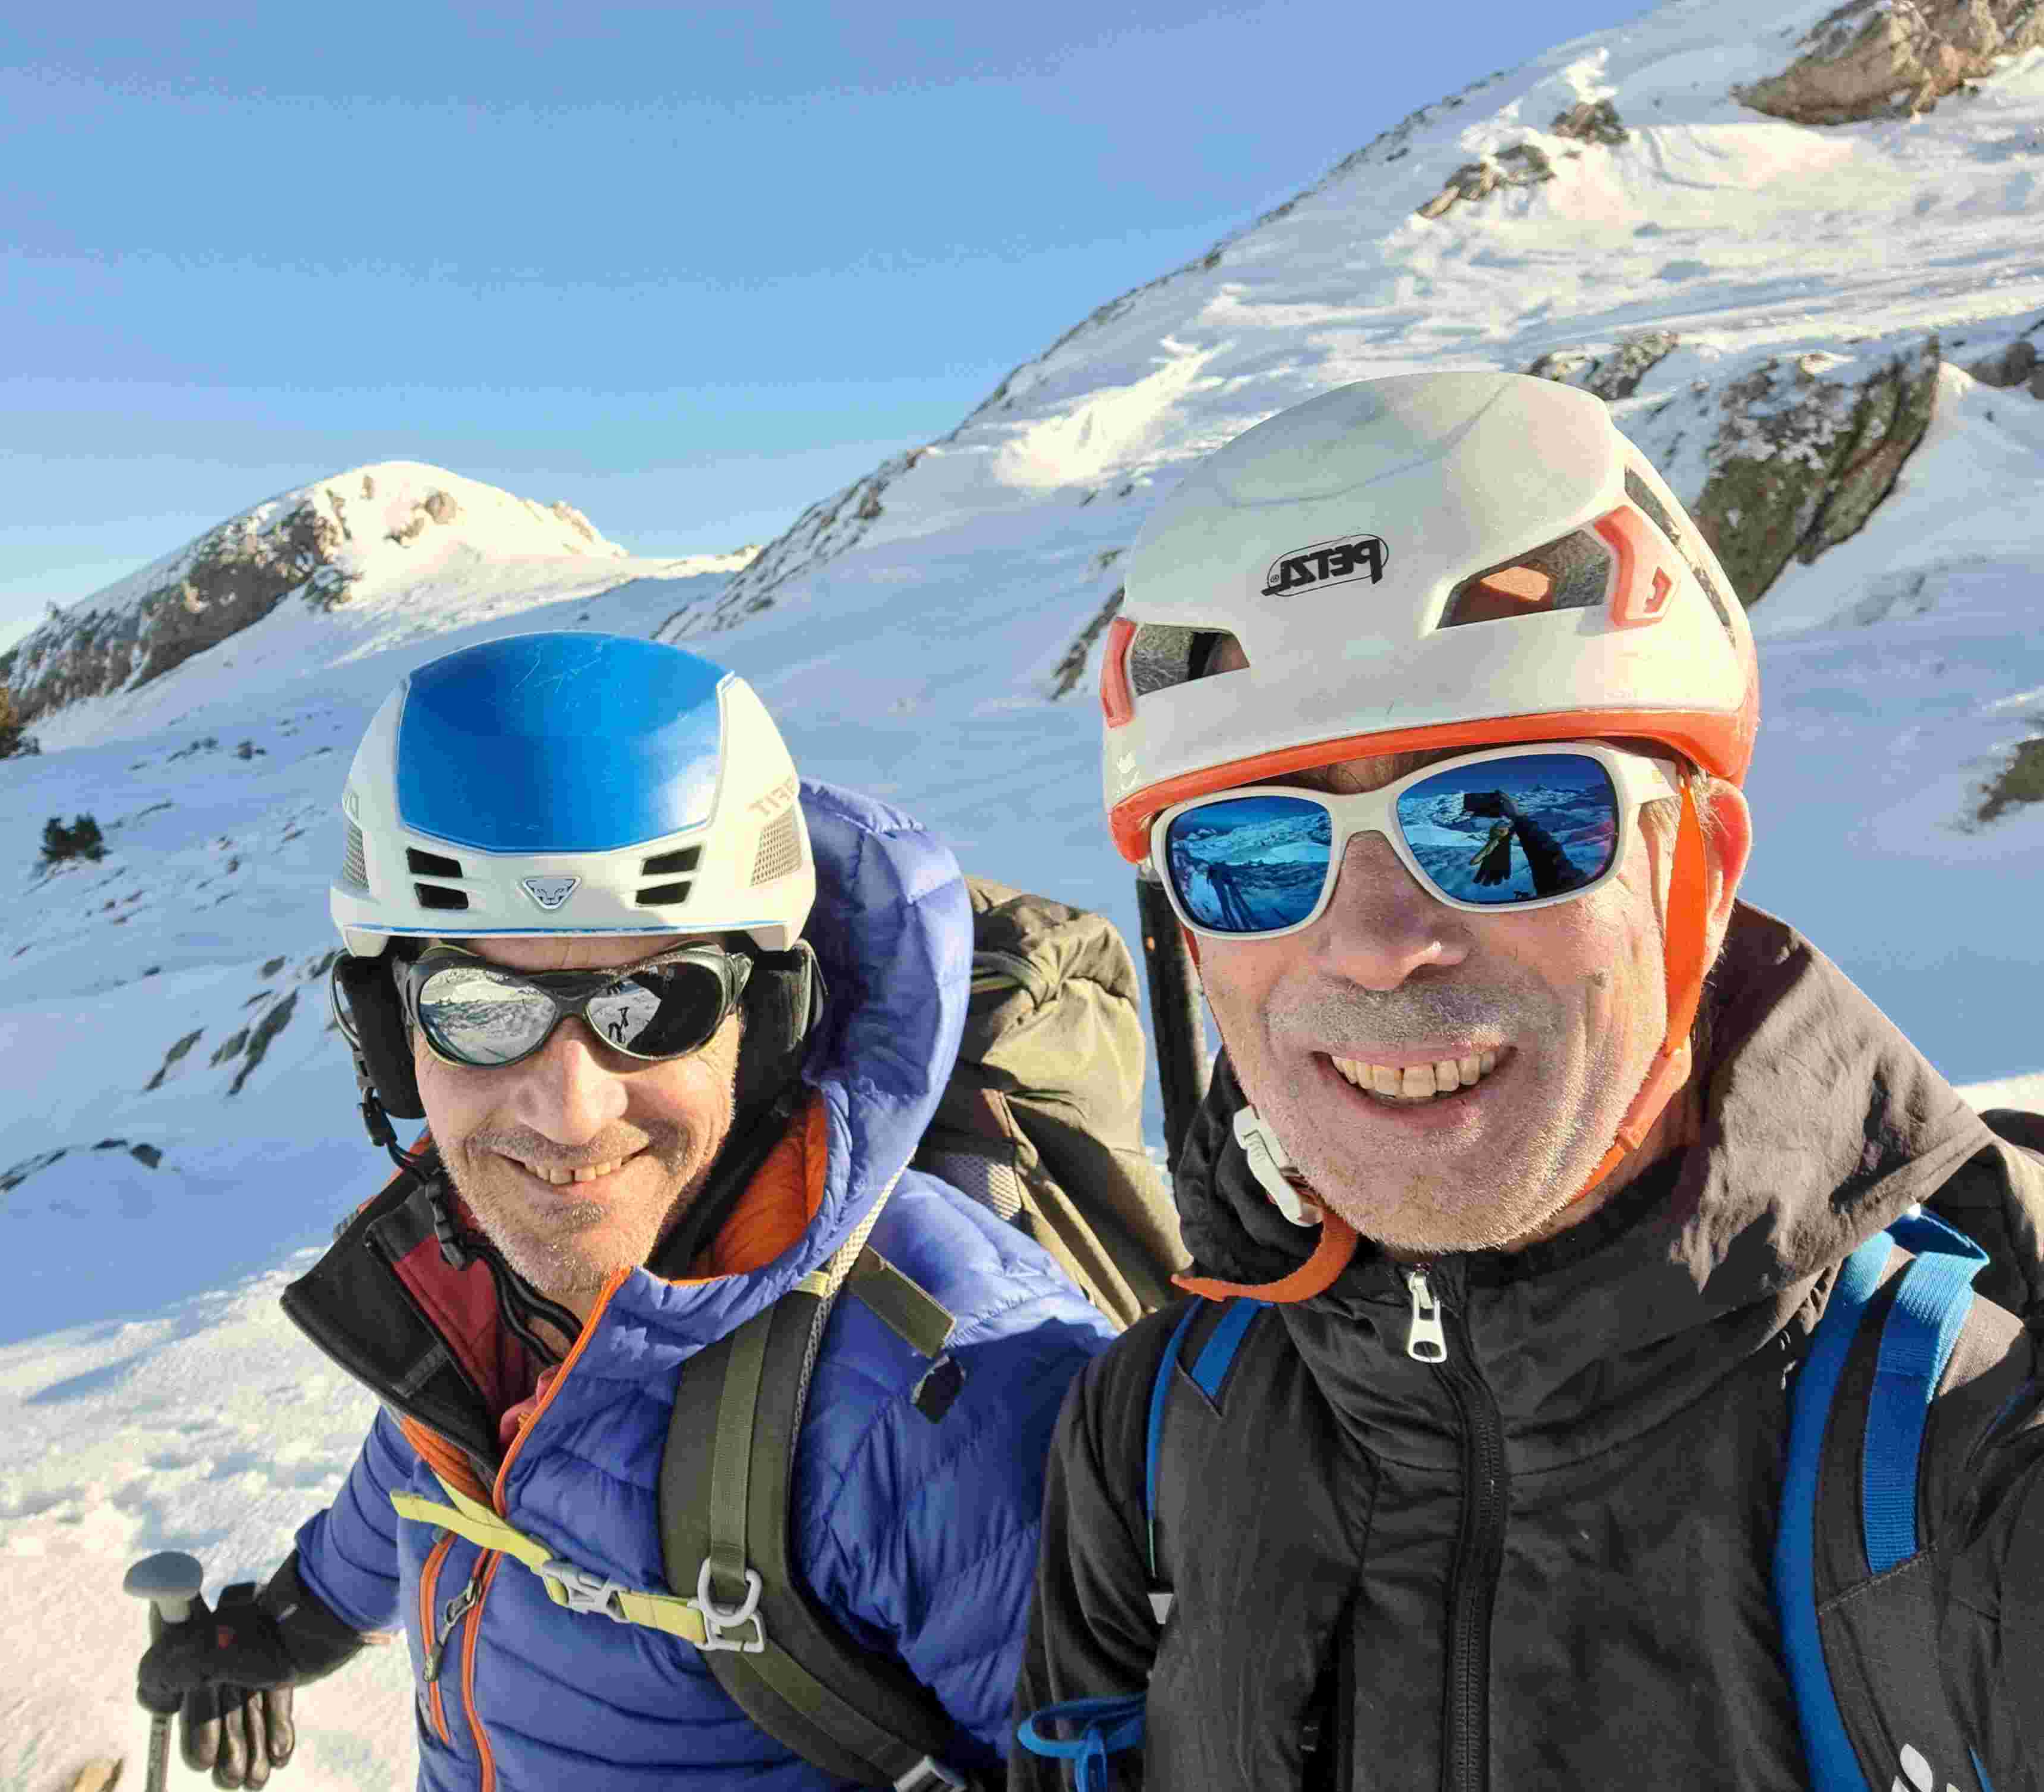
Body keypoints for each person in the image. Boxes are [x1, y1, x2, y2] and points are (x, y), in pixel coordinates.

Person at [1014, 372, 2044, 1787]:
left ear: (1701, 867)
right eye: (1250, 853)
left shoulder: (1972, 1448)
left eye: (1502, 817)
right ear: (1188, 935)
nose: (1375, 947)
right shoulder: (1151, 1434)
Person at [137, 631, 1113, 1790]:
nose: (568, 1110)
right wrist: (286, 1627)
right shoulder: (471, 1278)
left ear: (769, 1026)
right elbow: (428, 1467)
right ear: (389, 1042)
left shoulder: (952, 1397)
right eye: (480, 1009)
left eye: (654, 1004)